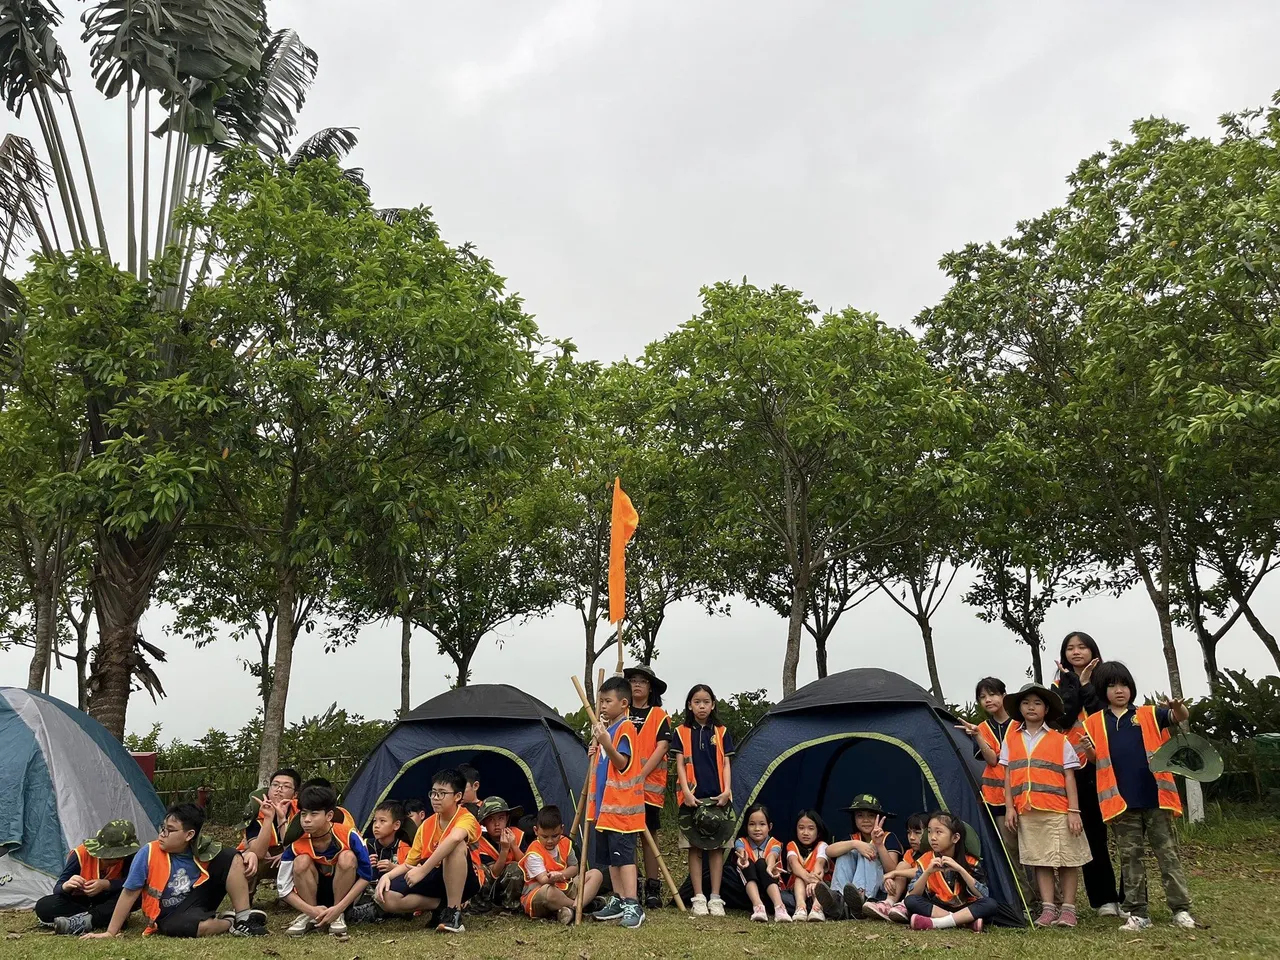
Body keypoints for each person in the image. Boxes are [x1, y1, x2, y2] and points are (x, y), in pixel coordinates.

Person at [1082, 661, 1197, 931]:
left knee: (1168, 855)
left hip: (1157, 798)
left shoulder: (1149, 713)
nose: (1119, 690)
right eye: (1112, 686)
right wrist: (1088, 750)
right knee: (1130, 859)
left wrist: (1177, 706)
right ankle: (1138, 913)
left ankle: (1181, 909)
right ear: (1102, 690)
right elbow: (1095, 760)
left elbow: (1179, 716)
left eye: (1124, 684)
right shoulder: (1094, 722)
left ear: (1131, 687)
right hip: (1121, 803)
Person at [82, 803, 266, 939]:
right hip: (167, 914)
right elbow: (129, 893)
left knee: (230, 856)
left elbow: (231, 859)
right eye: (162, 828)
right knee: (181, 927)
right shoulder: (148, 853)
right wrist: (110, 932)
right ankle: (230, 922)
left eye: (170, 830)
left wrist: (247, 854)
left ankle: (244, 919)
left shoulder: (202, 847)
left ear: (189, 835)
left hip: (197, 898)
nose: (162, 834)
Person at [1001, 682, 1091, 928]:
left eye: (1037, 703)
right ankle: (1048, 908)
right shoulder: (1011, 738)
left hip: (1058, 809)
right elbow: (1008, 775)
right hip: (1027, 810)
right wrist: (1009, 808)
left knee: (1068, 859)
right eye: (1026, 703)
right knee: (1039, 859)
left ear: (1046, 709)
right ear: (1019, 708)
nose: (1031, 707)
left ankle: (1069, 909)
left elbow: (1069, 776)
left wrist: (1074, 811)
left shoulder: (1059, 740)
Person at [1053, 631, 1123, 916]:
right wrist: (1073, 683)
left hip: (1109, 763)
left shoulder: (1108, 680)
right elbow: (1063, 718)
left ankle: (1129, 899)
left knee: (1125, 833)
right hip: (1077, 767)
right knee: (1092, 835)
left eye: (1082, 647)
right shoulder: (1058, 684)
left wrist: (1085, 684)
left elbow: (1100, 713)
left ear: (1093, 650)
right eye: (1070, 648)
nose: (1076, 652)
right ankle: (1104, 899)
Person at [375, 768, 482, 934]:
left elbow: (454, 839)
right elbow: (409, 863)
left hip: (466, 878)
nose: (435, 798)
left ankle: (453, 913)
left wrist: (422, 870)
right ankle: (441, 906)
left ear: (457, 796)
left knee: (455, 846)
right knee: (385, 896)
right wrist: (386, 876)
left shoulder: (466, 818)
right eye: (433, 793)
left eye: (442, 793)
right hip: (434, 874)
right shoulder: (426, 825)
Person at [956, 677, 1035, 901]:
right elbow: (992, 760)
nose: (988, 700)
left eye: (992, 694)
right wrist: (978, 736)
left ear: (1003, 696)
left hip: (1026, 795)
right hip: (998, 799)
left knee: (1033, 848)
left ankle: (1048, 898)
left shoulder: (1021, 723)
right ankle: (1026, 898)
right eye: (982, 697)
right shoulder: (980, 728)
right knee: (1011, 850)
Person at [587, 676, 647, 929]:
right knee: (612, 859)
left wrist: (606, 744)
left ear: (623, 703)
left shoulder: (626, 728)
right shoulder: (607, 730)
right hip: (605, 809)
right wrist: (596, 750)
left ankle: (633, 903)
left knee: (624, 858)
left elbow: (622, 763)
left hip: (622, 809)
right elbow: (605, 764)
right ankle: (619, 899)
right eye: (601, 701)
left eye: (607, 701)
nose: (602, 705)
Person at [278, 783, 374, 937]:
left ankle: (338, 916)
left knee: (347, 857)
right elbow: (283, 888)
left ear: (329, 816)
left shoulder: (348, 835)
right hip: (312, 896)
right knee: (301, 861)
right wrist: (311, 910)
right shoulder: (297, 842)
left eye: (314, 814)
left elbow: (366, 876)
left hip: (345, 895)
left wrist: (339, 908)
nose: (306, 820)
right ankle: (311, 916)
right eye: (303, 814)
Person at [674, 682, 734, 918]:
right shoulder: (681, 732)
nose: (701, 706)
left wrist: (727, 790)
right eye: (697, 702)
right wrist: (686, 792)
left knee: (718, 848)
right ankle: (698, 897)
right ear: (690, 705)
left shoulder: (721, 731)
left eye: (706, 702)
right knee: (695, 847)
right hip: (692, 798)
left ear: (713, 705)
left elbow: (726, 763)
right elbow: (680, 764)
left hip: (718, 797)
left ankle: (716, 897)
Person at [36, 820, 141, 935]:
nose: (111, 861)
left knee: (137, 895)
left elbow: (133, 883)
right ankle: (103, 917)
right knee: (43, 906)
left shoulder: (130, 857)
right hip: (82, 901)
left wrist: (106, 885)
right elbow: (58, 889)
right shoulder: (80, 854)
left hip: (109, 899)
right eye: (107, 857)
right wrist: (67, 886)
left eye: (117, 858)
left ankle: (85, 920)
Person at [625, 663, 672, 910]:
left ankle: (653, 887)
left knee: (648, 836)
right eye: (633, 680)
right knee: (628, 836)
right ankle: (633, 885)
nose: (637, 684)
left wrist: (640, 775)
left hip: (648, 787)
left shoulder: (659, 715)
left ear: (650, 687)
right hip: (621, 787)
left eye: (642, 681)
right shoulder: (620, 712)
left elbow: (662, 747)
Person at [906, 812, 1000, 932]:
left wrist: (960, 869)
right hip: (938, 907)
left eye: (939, 832)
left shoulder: (970, 861)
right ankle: (964, 922)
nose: (932, 837)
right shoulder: (926, 859)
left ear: (955, 838)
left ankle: (937, 923)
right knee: (911, 901)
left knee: (990, 904)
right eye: (929, 832)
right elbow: (913, 894)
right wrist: (927, 872)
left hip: (965, 908)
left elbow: (983, 894)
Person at [814, 795, 901, 920]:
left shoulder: (888, 837)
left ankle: (860, 898)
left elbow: (892, 869)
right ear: (854, 818)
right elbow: (828, 851)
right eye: (860, 815)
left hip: (879, 888)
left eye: (871, 816)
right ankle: (838, 899)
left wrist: (879, 845)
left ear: (879, 817)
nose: (866, 820)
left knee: (868, 852)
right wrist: (855, 844)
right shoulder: (853, 838)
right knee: (845, 853)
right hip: (850, 889)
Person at [518, 805, 604, 924]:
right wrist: (553, 878)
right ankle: (581, 907)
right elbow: (543, 880)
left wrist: (561, 875)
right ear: (536, 831)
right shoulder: (533, 852)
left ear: (562, 829)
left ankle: (572, 909)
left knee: (596, 874)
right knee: (549, 892)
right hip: (540, 892)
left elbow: (574, 868)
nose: (550, 841)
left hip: (564, 885)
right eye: (545, 836)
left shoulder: (566, 843)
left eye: (555, 836)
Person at [240, 767, 303, 883]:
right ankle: (245, 894)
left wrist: (287, 853)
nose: (279, 789)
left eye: (286, 786)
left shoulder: (301, 812)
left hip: (291, 854)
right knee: (249, 858)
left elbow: (305, 846)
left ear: (295, 794)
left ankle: (293, 894)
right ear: (269, 790)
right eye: (275, 785)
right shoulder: (255, 809)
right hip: (265, 855)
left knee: (303, 859)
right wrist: (268, 818)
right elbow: (258, 853)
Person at [866, 812, 927, 923]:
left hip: (925, 894)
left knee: (907, 873)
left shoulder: (934, 853)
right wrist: (891, 878)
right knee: (902, 865)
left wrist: (894, 873)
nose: (912, 837)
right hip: (907, 890)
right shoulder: (911, 853)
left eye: (918, 833)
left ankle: (905, 906)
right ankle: (888, 903)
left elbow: (923, 872)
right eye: (909, 832)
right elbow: (900, 869)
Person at [733, 804, 789, 923]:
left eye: (762, 824)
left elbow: (772, 855)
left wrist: (770, 867)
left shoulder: (775, 843)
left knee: (761, 863)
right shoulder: (741, 842)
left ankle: (780, 907)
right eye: (752, 824)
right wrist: (742, 859)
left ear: (770, 826)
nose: (757, 829)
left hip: (770, 886)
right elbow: (741, 851)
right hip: (749, 888)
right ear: (746, 827)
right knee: (747, 863)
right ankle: (758, 907)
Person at [471, 796, 527, 912]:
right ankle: (482, 905)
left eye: (501, 818)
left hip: (512, 884)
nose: (497, 824)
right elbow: (494, 873)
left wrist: (514, 846)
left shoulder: (518, 834)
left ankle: (511, 906)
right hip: (491, 886)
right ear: (484, 823)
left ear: (507, 819)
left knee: (516, 868)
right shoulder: (481, 842)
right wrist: (504, 851)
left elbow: (526, 865)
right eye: (491, 820)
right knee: (479, 870)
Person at [785, 810, 831, 922]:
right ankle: (801, 907)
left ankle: (817, 908)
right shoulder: (792, 845)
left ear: (818, 832)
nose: (805, 833)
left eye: (811, 828)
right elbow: (794, 864)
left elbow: (819, 865)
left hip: (819, 888)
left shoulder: (822, 845)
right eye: (801, 828)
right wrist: (809, 879)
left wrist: (814, 882)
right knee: (799, 877)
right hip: (797, 891)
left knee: (819, 884)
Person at [364, 801, 412, 874]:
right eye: (375, 820)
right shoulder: (365, 845)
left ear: (396, 825)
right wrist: (364, 865)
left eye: (382, 821)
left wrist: (394, 868)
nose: (376, 825)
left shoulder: (403, 848)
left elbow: (417, 870)